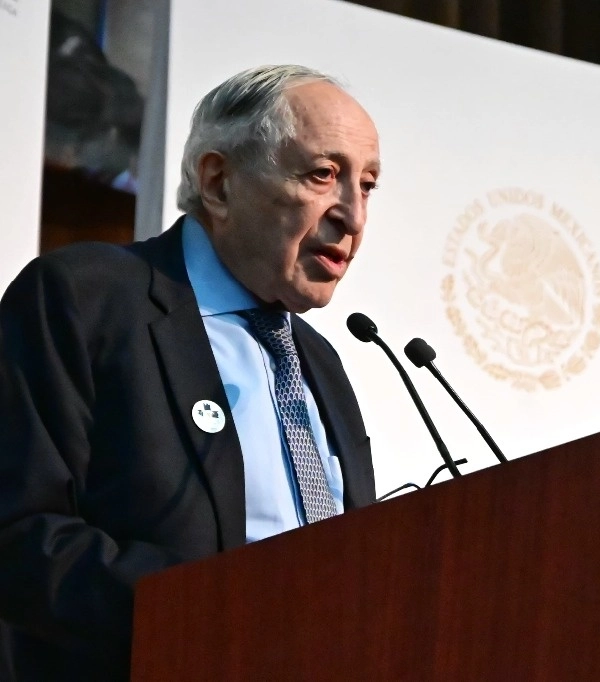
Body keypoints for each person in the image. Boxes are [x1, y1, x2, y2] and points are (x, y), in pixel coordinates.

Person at [0, 64, 380, 680]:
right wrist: (226, 617)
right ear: (218, 181)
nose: (354, 217)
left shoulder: (322, 365)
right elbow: (23, 536)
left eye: (367, 186)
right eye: (323, 174)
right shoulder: (88, 299)